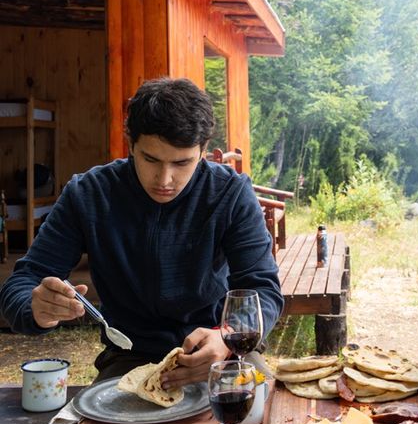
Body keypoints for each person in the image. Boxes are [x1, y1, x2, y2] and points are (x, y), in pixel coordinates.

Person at [0, 77, 283, 387]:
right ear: (131, 144)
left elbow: (263, 290)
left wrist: (227, 337)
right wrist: (35, 308)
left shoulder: (230, 193)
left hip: (219, 349)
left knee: (262, 421)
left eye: (182, 163)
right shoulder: (89, 194)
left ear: (203, 151)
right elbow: (22, 282)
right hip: (129, 354)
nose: (165, 178)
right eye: (150, 159)